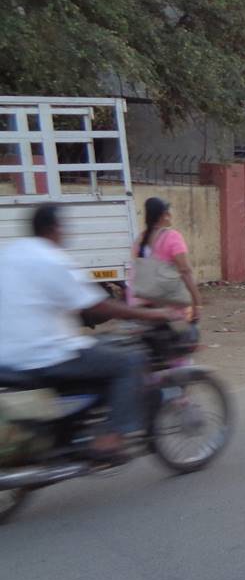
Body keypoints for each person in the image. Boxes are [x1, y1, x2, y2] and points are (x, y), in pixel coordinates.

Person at [0, 204, 173, 460]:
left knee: (96, 350)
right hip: (45, 355)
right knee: (128, 363)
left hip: (7, 357)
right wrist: (150, 314)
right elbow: (95, 306)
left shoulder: (9, 254)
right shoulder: (51, 259)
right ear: (54, 228)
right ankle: (110, 439)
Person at [132, 196, 202, 323]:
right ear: (165, 215)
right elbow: (184, 270)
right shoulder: (172, 237)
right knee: (186, 335)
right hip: (169, 303)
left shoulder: (140, 239)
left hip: (142, 302)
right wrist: (197, 302)